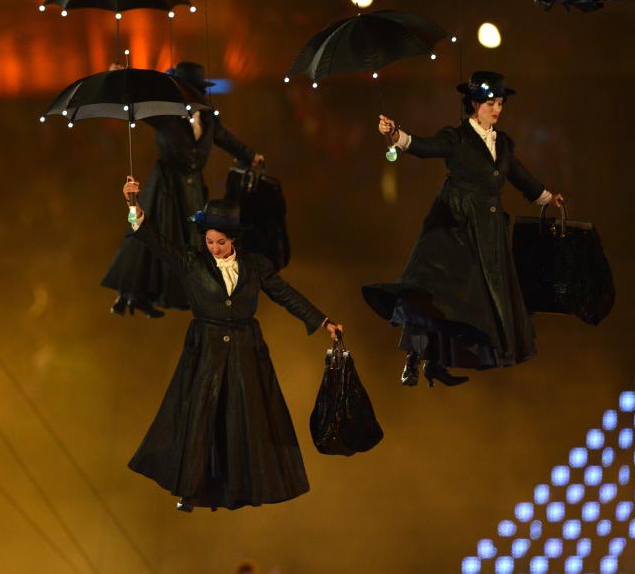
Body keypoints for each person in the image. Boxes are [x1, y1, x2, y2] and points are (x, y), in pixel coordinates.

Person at [121, 176, 342, 511]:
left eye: (220, 242)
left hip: (244, 350)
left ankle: (240, 488)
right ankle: (190, 488)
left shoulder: (255, 267)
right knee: (200, 418)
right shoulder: (193, 262)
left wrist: (322, 321)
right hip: (206, 349)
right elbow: (155, 240)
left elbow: (286, 295)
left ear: (234, 239)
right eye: (210, 241)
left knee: (243, 420)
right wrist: (133, 204)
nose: (214, 248)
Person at [362, 71, 564, 387]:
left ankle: (436, 360)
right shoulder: (456, 138)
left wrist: (546, 197)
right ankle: (415, 356)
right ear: (473, 104)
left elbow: (519, 176)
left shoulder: (504, 143)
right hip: (454, 227)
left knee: (473, 301)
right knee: (431, 290)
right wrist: (395, 133)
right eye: (489, 103)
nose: (496, 109)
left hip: (488, 231)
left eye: (499, 103)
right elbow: (423, 146)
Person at [101, 61, 265, 318]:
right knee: (153, 237)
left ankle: (185, 294)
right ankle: (135, 293)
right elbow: (136, 102)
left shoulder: (209, 118)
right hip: (167, 187)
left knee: (192, 241)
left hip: (193, 187)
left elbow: (225, 139)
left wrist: (250, 156)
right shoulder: (165, 115)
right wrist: (122, 77)